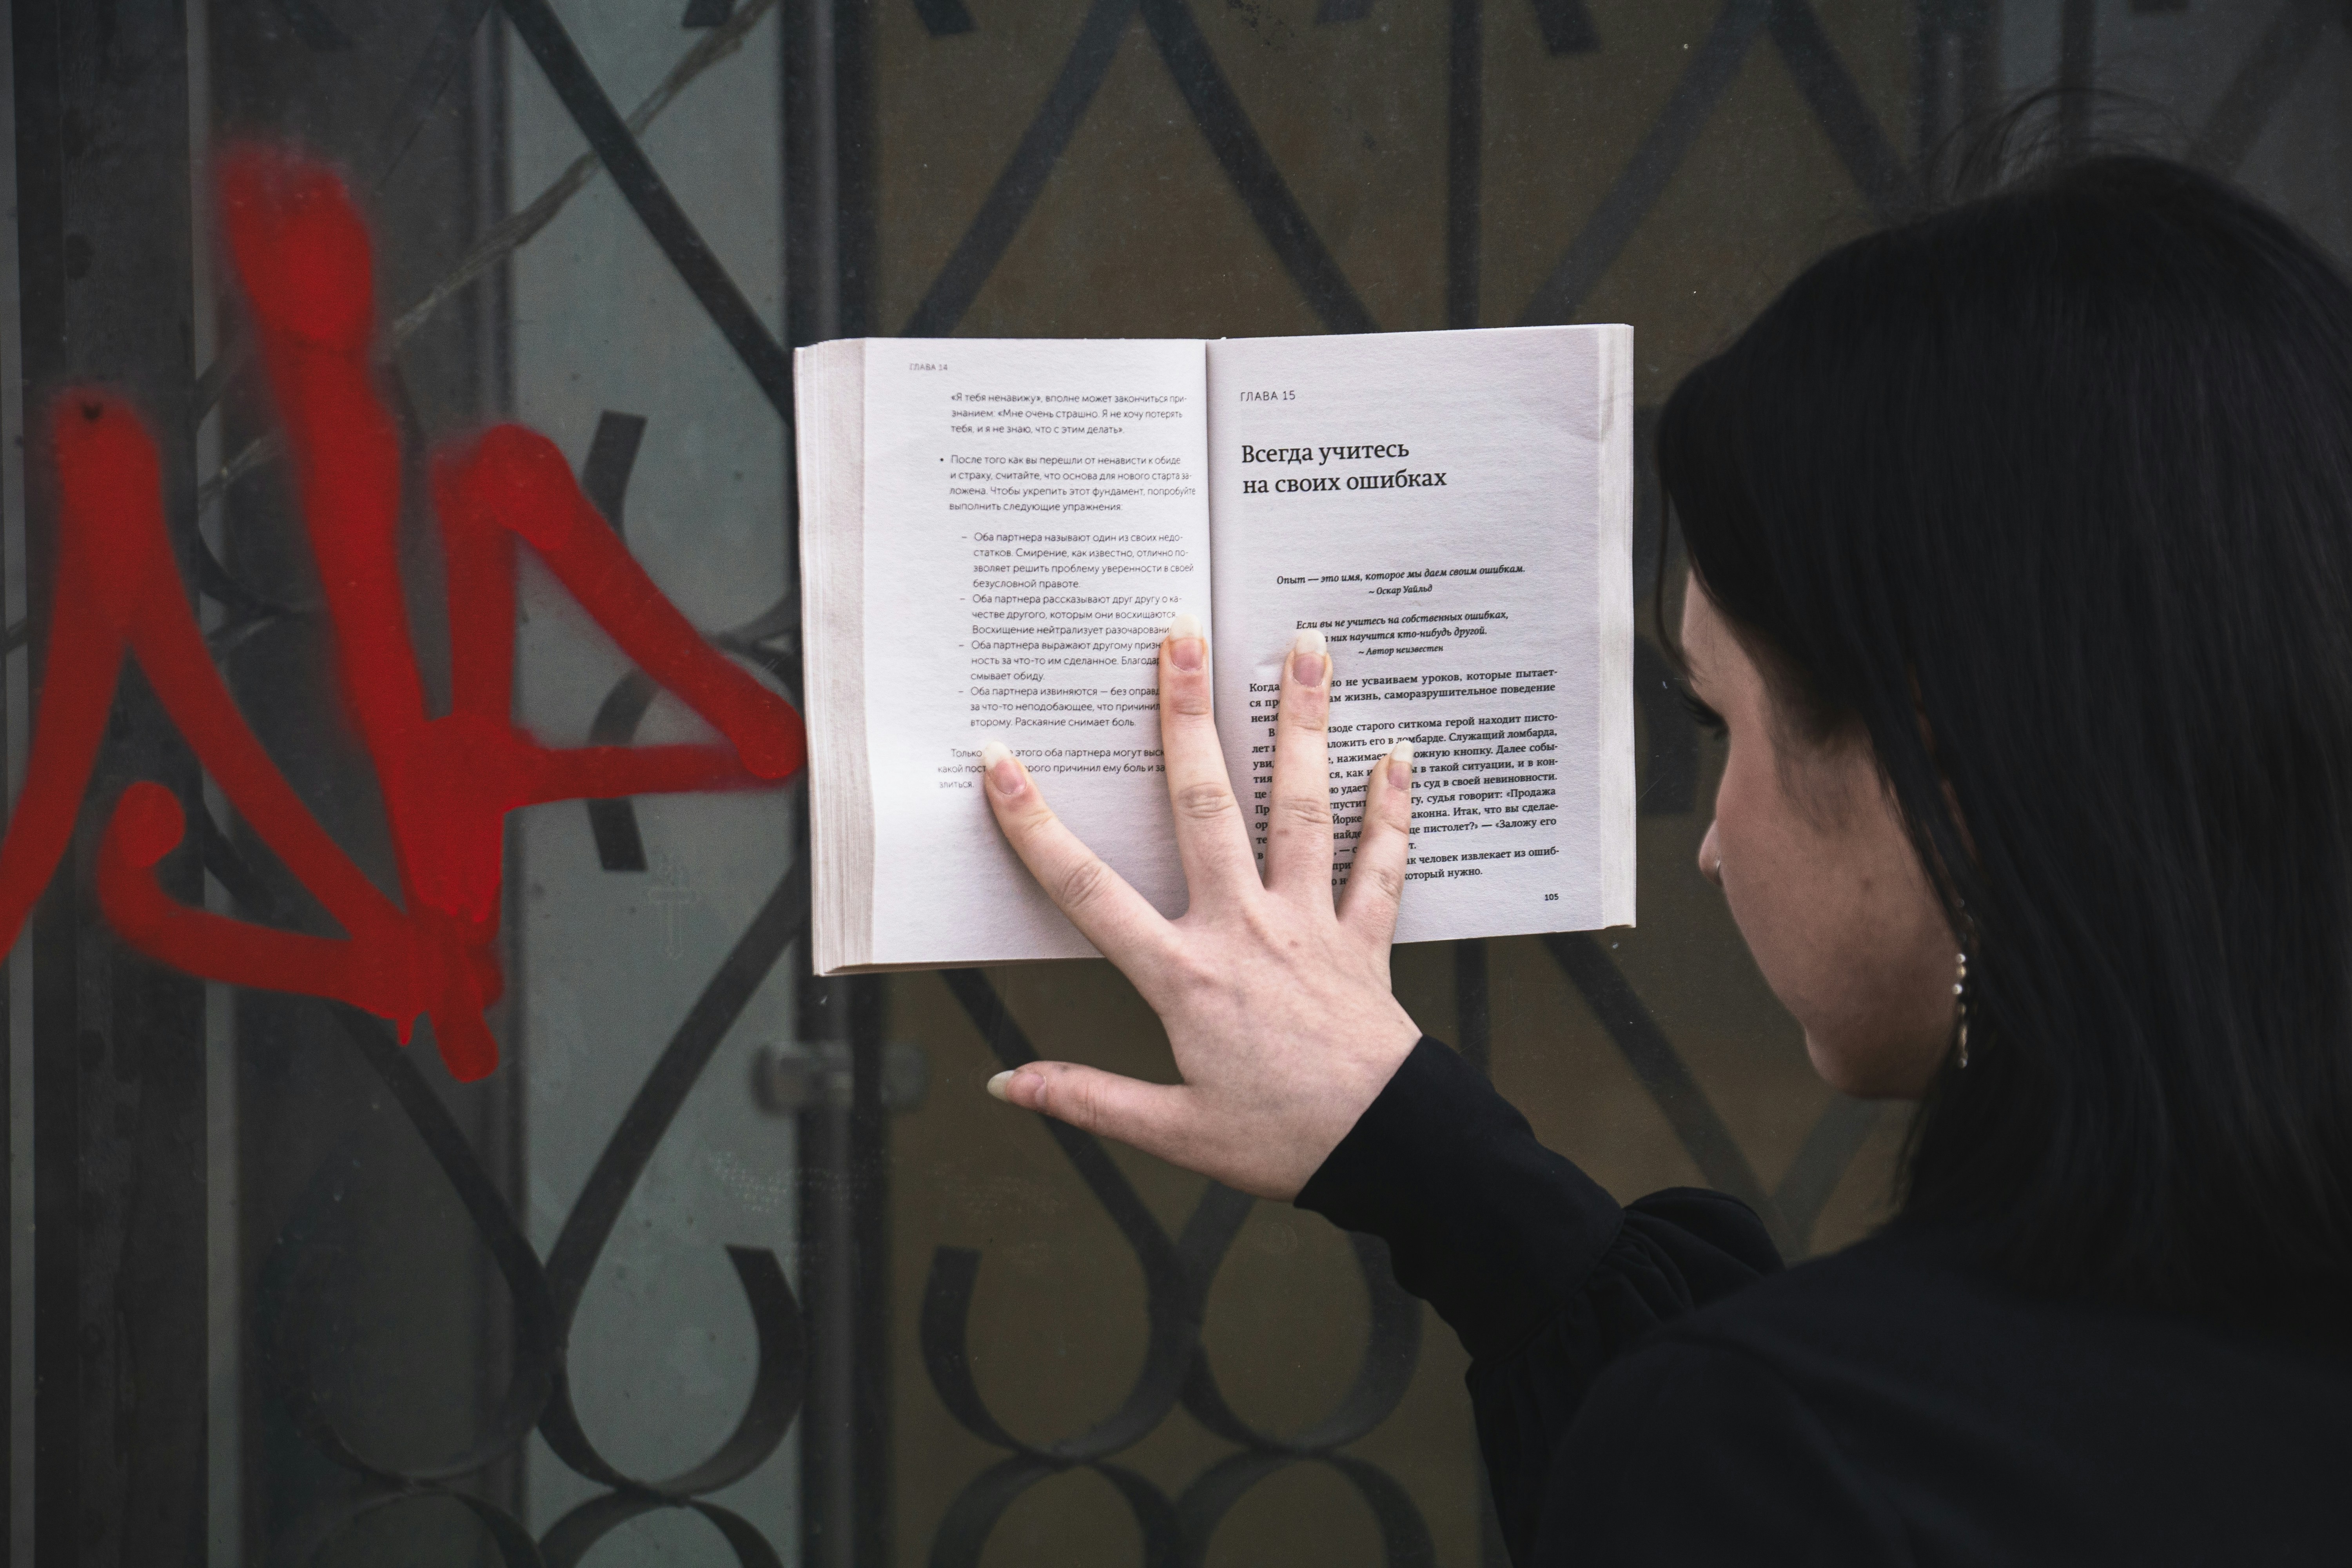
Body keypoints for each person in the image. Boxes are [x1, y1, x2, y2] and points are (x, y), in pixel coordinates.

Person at [970, 154, 2352, 1564]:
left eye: (1718, 725)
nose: (1706, 842)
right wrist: (1426, 1158)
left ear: (1935, 759)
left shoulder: (1783, 1456)